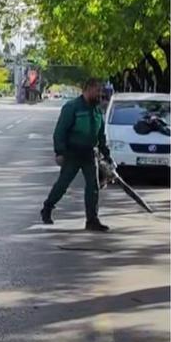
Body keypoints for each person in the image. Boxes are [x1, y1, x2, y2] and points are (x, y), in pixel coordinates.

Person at [41, 78, 110, 231]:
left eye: (100, 91)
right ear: (88, 89)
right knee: (63, 184)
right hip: (72, 152)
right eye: (97, 90)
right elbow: (60, 131)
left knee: (93, 187)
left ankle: (92, 220)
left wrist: (106, 154)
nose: (100, 94)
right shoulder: (72, 107)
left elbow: (101, 135)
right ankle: (47, 208)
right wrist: (59, 151)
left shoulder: (97, 110)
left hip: (90, 154)